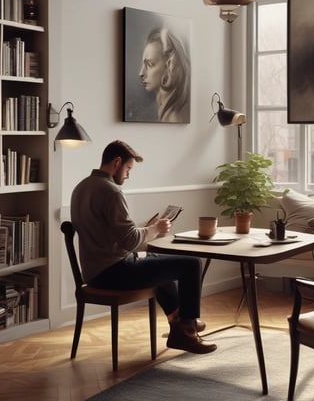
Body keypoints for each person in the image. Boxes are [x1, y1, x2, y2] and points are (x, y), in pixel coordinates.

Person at [70, 140, 216, 354]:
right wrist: (155, 228)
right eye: (128, 169)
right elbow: (129, 242)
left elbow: (110, 234)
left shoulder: (81, 187)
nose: (128, 175)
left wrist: (144, 229)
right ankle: (187, 329)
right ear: (117, 162)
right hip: (114, 272)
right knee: (191, 264)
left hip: (93, 272)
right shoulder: (112, 191)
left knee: (159, 261)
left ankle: (178, 322)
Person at [139, 27, 190, 123]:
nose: (141, 73)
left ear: (170, 66)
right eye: (143, 64)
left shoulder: (175, 117)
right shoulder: (164, 109)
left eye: (150, 64)